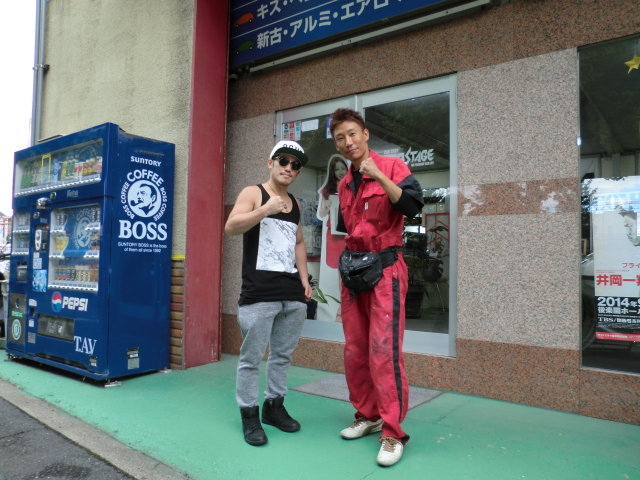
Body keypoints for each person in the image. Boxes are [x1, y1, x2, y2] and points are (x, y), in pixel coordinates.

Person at [330, 108, 423, 467]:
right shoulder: (343, 184)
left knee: (384, 351)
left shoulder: (392, 167)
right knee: (355, 350)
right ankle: (367, 415)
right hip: (355, 273)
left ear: (365, 134)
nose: (348, 142)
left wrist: (379, 177)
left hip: (386, 271)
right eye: (340, 138)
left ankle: (392, 432)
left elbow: (413, 206)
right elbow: (349, 228)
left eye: (352, 134)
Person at [225, 140, 313, 447]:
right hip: (259, 292)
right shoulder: (254, 193)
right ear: (270, 163)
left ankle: (274, 407)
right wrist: (265, 210)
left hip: (292, 293)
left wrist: (305, 280)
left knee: (282, 355)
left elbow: (298, 242)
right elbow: (231, 227)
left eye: (295, 165)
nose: (288, 167)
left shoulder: (296, 204)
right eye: (283, 161)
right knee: (251, 358)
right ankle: (249, 415)